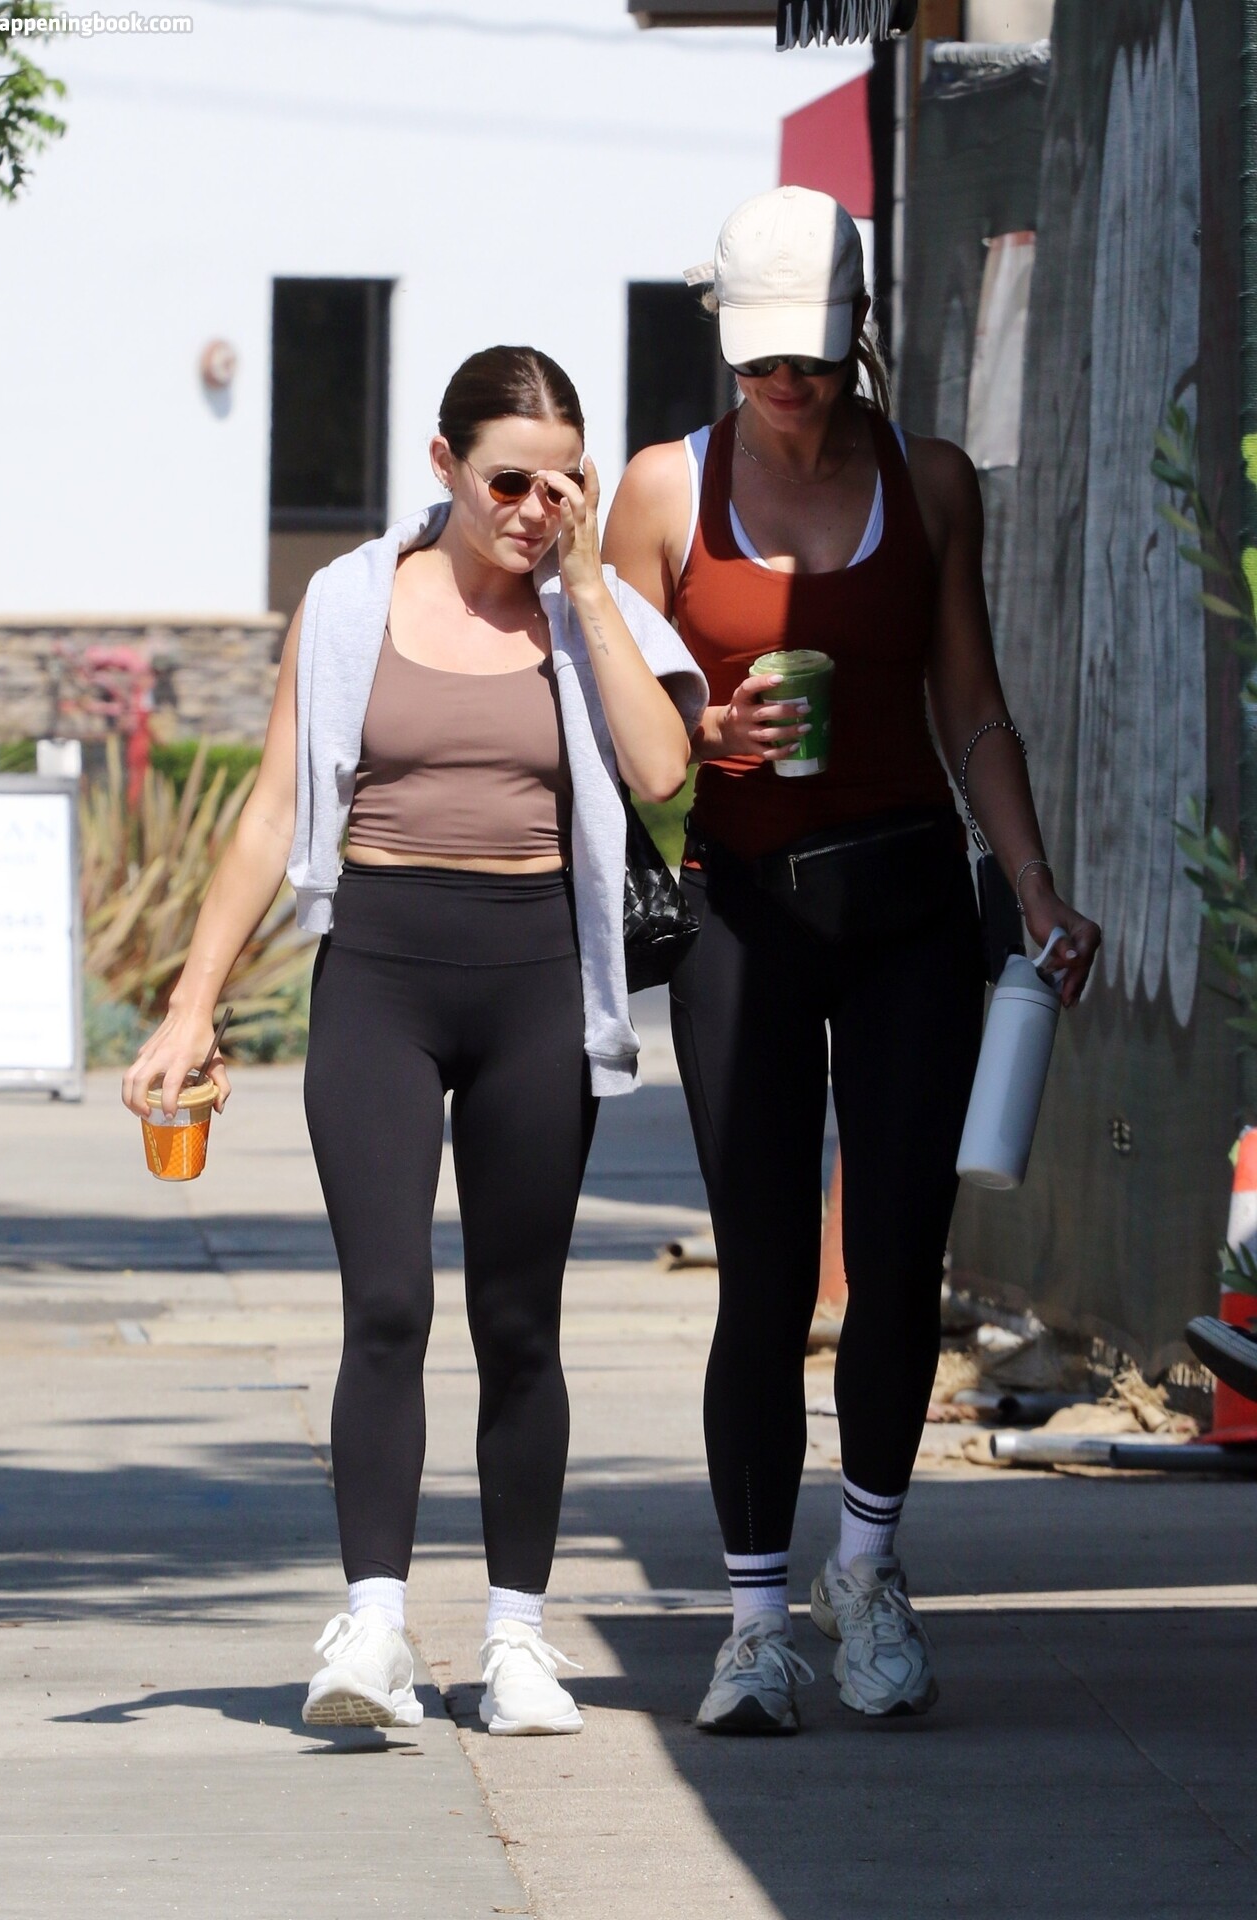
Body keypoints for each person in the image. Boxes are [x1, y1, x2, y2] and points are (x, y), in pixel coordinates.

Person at [122, 345, 706, 1738]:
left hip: (535, 983)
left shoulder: (589, 604)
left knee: (519, 1321)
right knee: (385, 1306)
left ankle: (517, 1640)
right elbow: (273, 808)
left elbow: (663, 770)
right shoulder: (348, 599)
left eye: (563, 484)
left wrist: (587, 590)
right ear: (444, 465)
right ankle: (374, 1626)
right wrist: (193, 1002)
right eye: (509, 481)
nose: (536, 509)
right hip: (379, 974)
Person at [603, 187, 1102, 1733]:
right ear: (726, 343)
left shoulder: (928, 481)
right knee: (761, 1273)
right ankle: (755, 1623)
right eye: (761, 359)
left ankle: (870, 1570)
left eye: (811, 358)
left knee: (897, 1262)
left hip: (905, 907)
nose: (787, 385)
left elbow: (972, 706)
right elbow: (611, 724)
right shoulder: (664, 490)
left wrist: (1034, 887)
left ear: (856, 333)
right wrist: (703, 733)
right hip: (739, 911)